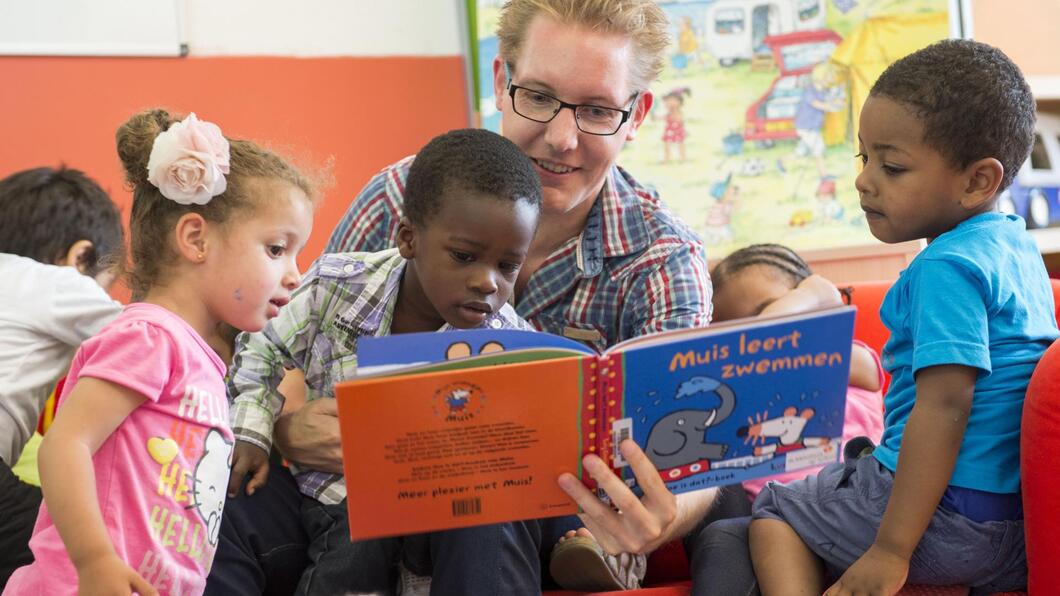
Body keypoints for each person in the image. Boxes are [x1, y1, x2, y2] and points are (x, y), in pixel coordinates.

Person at [208, 1, 725, 594]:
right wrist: (280, 430)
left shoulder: (663, 258)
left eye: (598, 110)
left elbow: (691, 462)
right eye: (538, 96)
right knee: (215, 481)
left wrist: (665, 514)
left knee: (481, 486)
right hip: (348, 492)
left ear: (636, 116)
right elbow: (300, 343)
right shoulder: (403, 195)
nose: (560, 139)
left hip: (552, 516)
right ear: (502, 82)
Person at [750, 40, 1059, 595]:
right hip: (1014, 522)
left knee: (777, 508)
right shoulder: (1016, 248)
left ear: (977, 181)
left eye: (892, 166)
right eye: (863, 157)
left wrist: (891, 550)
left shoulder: (946, 266)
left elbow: (945, 405)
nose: (865, 181)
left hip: (950, 517)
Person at [3, 109, 317, 595]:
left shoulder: (201, 359)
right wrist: (94, 561)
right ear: (195, 239)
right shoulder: (150, 336)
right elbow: (66, 445)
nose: (295, 274)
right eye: (277, 249)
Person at [223, 128, 541, 595]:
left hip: (449, 510)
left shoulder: (509, 340)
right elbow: (260, 347)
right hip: (341, 497)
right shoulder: (335, 286)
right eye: (464, 256)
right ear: (409, 238)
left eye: (508, 266)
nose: (487, 283)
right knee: (352, 552)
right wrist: (253, 428)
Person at [683, 243, 885, 595]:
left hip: (852, 517)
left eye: (769, 311)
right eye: (736, 332)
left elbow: (779, 338)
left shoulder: (854, 363)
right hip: (771, 530)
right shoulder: (738, 396)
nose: (752, 344)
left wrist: (815, 293)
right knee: (720, 533)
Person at [0, 166, 125, 589]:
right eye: (105, 285)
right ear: (80, 257)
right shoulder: (59, 284)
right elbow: (146, 341)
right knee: (56, 552)